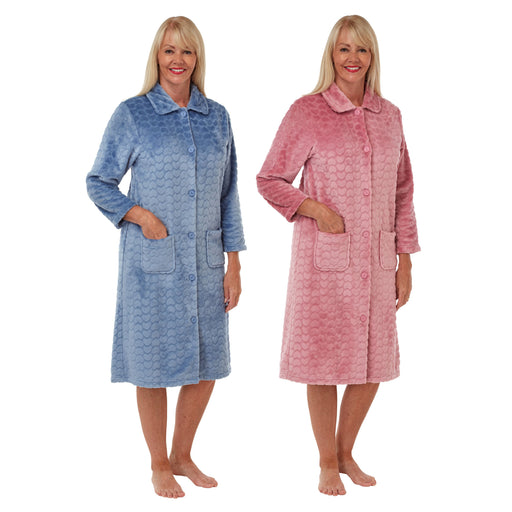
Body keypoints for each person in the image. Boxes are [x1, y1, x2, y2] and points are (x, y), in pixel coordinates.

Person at [257, 15, 420, 496]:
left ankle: (347, 452)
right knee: (324, 363)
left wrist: (406, 258)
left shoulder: (390, 116)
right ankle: (326, 461)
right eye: (344, 48)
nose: (352, 58)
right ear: (331, 54)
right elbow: (270, 179)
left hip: (377, 261)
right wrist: (315, 209)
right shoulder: (307, 111)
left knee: (374, 362)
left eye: (361, 49)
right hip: (323, 265)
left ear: (373, 57)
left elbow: (403, 190)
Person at [86, 16, 246, 499]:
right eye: (169, 50)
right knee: (151, 365)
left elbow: (229, 193)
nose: (178, 60)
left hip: (206, 262)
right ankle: (158, 463)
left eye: (187, 51)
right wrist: (138, 214)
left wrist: (234, 262)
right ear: (157, 56)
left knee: (208, 364)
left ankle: (182, 455)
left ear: (198, 59)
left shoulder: (217, 117)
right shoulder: (133, 114)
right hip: (151, 264)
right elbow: (98, 181)